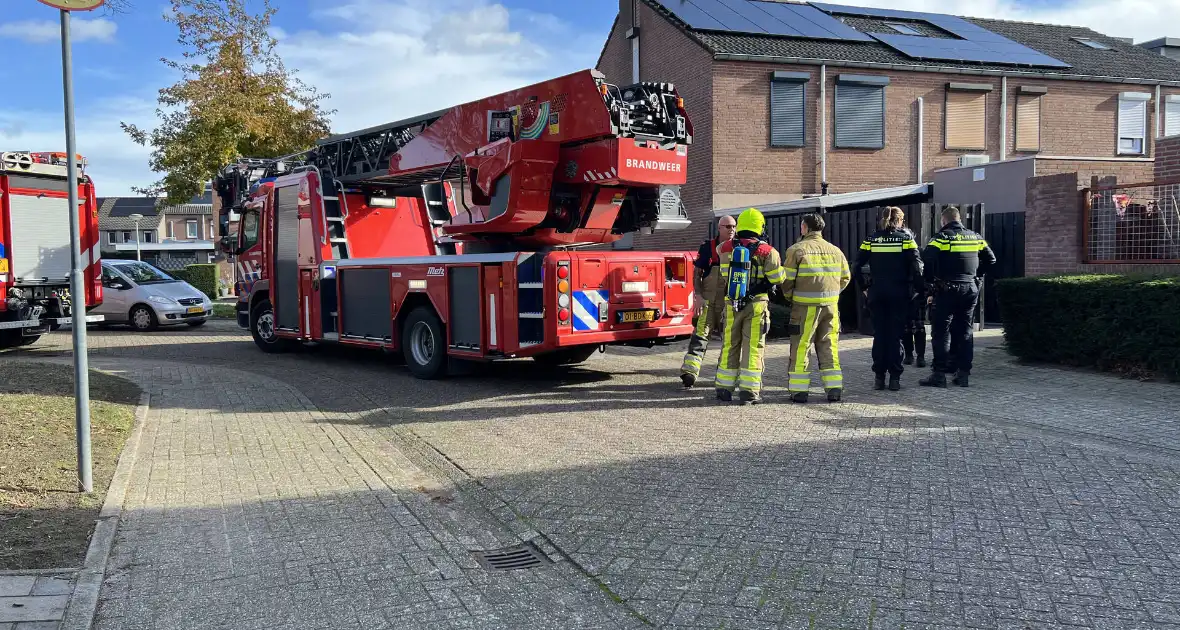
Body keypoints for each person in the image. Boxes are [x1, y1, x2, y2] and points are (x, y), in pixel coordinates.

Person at [714, 208, 787, 405]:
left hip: (731, 303)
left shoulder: (724, 248)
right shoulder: (768, 252)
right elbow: (778, 279)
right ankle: (749, 391)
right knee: (753, 346)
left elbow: (723, 275)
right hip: (756, 305)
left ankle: (723, 389)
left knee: (729, 344)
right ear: (760, 227)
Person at [919, 206, 996, 388]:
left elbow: (927, 260)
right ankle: (963, 374)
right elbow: (991, 259)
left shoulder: (942, 237)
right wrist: (977, 276)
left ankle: (939, 374)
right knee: (965, 331)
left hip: (947, 289)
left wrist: (930, 283)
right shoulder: (975, 237)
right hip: (970, 289)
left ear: (944, 221)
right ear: (959, 219)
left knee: (941, 331)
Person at [780, 213, 852, 403]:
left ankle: (799, 391)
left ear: (804, 227)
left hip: (804, 308)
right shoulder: (836, 251)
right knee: (829, 346)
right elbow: (845, 278)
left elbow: (786, 281)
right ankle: (834, 389)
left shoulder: (797, 250)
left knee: (801, 347)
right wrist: (831, 294)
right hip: (830, 307)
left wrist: (790, 297)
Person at [854, 207, 923, 392]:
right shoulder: (907, 240)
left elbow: (857, 266)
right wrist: (918, 290)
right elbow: (917, 267)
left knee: (880, 335)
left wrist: (865, 288)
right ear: (900, 220)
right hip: (899, 293)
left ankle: (879, 378)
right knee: (895, 336)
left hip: (877, 292)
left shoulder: (871, 239)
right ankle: (894, 378)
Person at [680, 215, 737, 388]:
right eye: (727, 226)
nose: (731, 229)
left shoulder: (739, 248)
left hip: (729, 304)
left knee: (729, 341)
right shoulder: (707, 248)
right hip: (708, 302)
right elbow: (697, 274)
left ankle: (723, 376)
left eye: (734, 226)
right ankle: (690, 372)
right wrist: (697, 296)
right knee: (700, 336)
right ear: (719, 228)